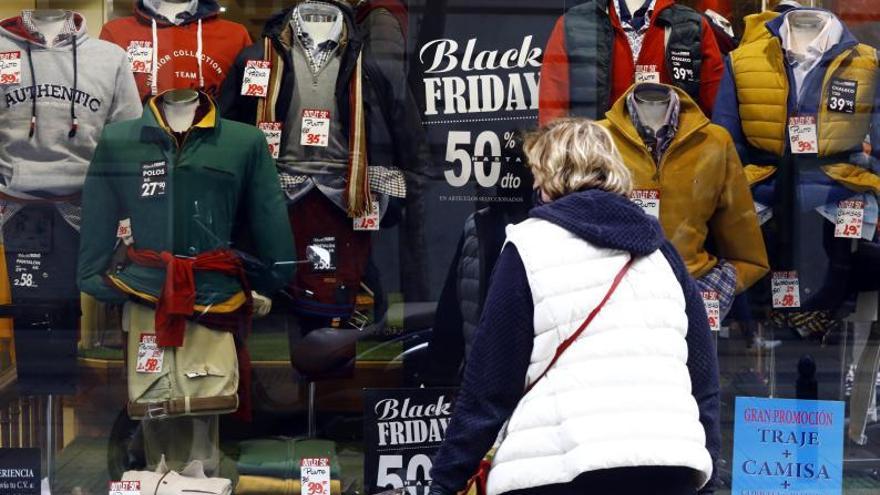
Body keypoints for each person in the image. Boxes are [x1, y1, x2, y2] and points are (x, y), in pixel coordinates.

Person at [428, 118, 721, 495]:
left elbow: (489, 387)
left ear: (548, 178)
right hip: (671, 466)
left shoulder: (530, 245)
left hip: (562, 468)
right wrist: (709, 480)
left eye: (537, 175)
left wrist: (445, 482)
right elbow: (704, 382)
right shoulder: (662, 253)